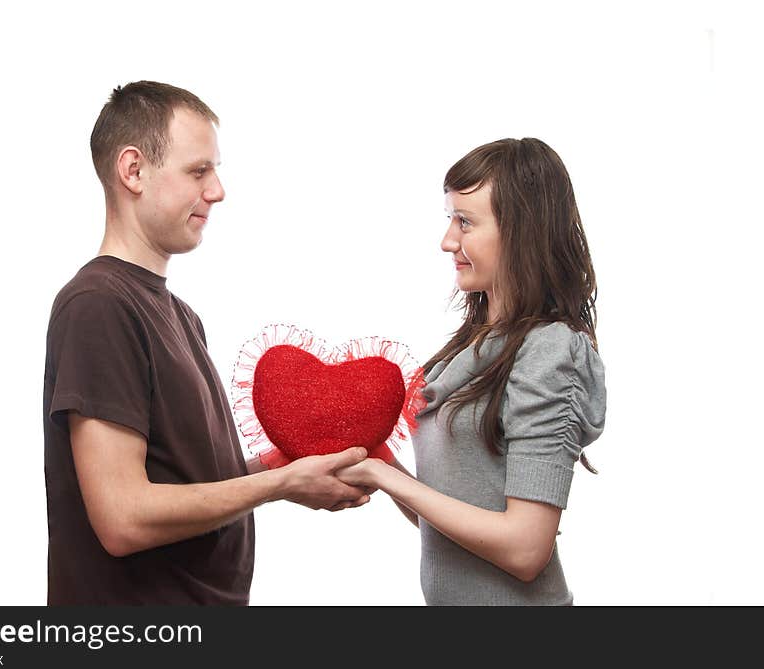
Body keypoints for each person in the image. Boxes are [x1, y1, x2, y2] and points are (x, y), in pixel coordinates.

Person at [42, 81, 371, 605]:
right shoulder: (98, 305)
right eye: (198, 171)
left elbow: (192, 483)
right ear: (133, 171)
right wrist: (281, 487)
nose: (217, 190)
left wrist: (284, 463)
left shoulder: (180, 316)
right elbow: (123, 517)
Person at [336, 138, 606, 605]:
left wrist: (387, 478)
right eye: (449, 219)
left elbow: (525, 548)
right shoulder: (472, 345)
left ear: (522, 233)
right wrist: (378, 465)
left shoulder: (550, 351)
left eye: (465, 222)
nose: (447, 241)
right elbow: (452, 514)